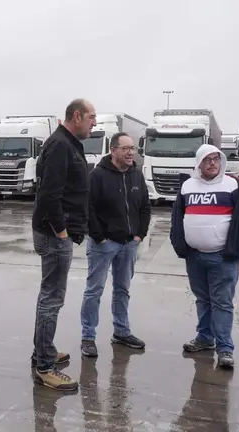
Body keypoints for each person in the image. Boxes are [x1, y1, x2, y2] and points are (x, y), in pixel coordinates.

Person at [169, 143, 239, 369]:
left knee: (223, 303)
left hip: (223, 258)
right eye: (207, 159)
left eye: (216, 159)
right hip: (195, 257)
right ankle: (204, 338)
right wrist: (180, 244)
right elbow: (177, 217)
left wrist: (238, 243)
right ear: (199, 162)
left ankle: (225, 349)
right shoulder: (187, 186)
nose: (212, 163)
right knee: (203, 300)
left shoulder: (234, 186)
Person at [30, 98, 96, 391]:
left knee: (49, 297)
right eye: (92, 117)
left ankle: (43, 351)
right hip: (54, 234)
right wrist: (61, 232)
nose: (94, 122)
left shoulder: (66, 143)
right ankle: (44, 367)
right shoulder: (60, 145)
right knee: (52, 299)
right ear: (77, 116)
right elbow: (49, 195)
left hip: (56, 232)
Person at [80, 132, 151, 358]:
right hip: (104, 245)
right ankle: (88, 337)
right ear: (113, 150)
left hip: (129, 244)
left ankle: (121, 331)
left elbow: (144, 207)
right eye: (126, 148)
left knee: (123, 290)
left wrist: (139, 235)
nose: (131, 152)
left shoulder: (136, 175)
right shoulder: (97, 175)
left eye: (132, 149)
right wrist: (99, 236)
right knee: (94, 291)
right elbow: (87, 208)